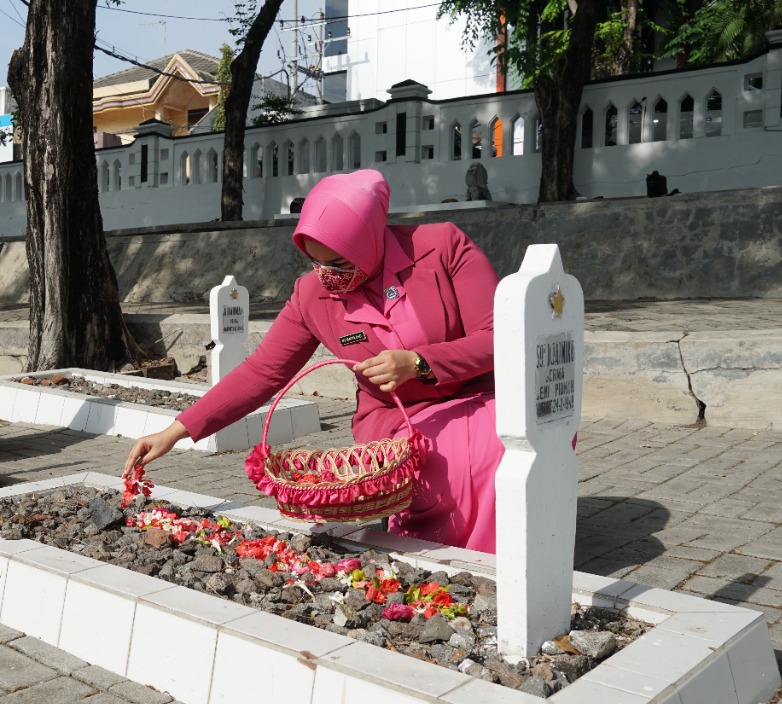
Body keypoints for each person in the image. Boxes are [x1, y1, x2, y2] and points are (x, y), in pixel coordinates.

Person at [124, 169, 503, 553]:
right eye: (315, 261)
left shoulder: (441, 247)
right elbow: (264, 371)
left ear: (371, 238)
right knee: (440, 459)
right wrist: (175, 431)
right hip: (396, 417)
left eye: (339, 262)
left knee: (495, 447)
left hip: (477, 394)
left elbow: (497, 338)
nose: (328, 276)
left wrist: (418, 362)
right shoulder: (311, 295)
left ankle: (494, 557)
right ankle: (439, 559)